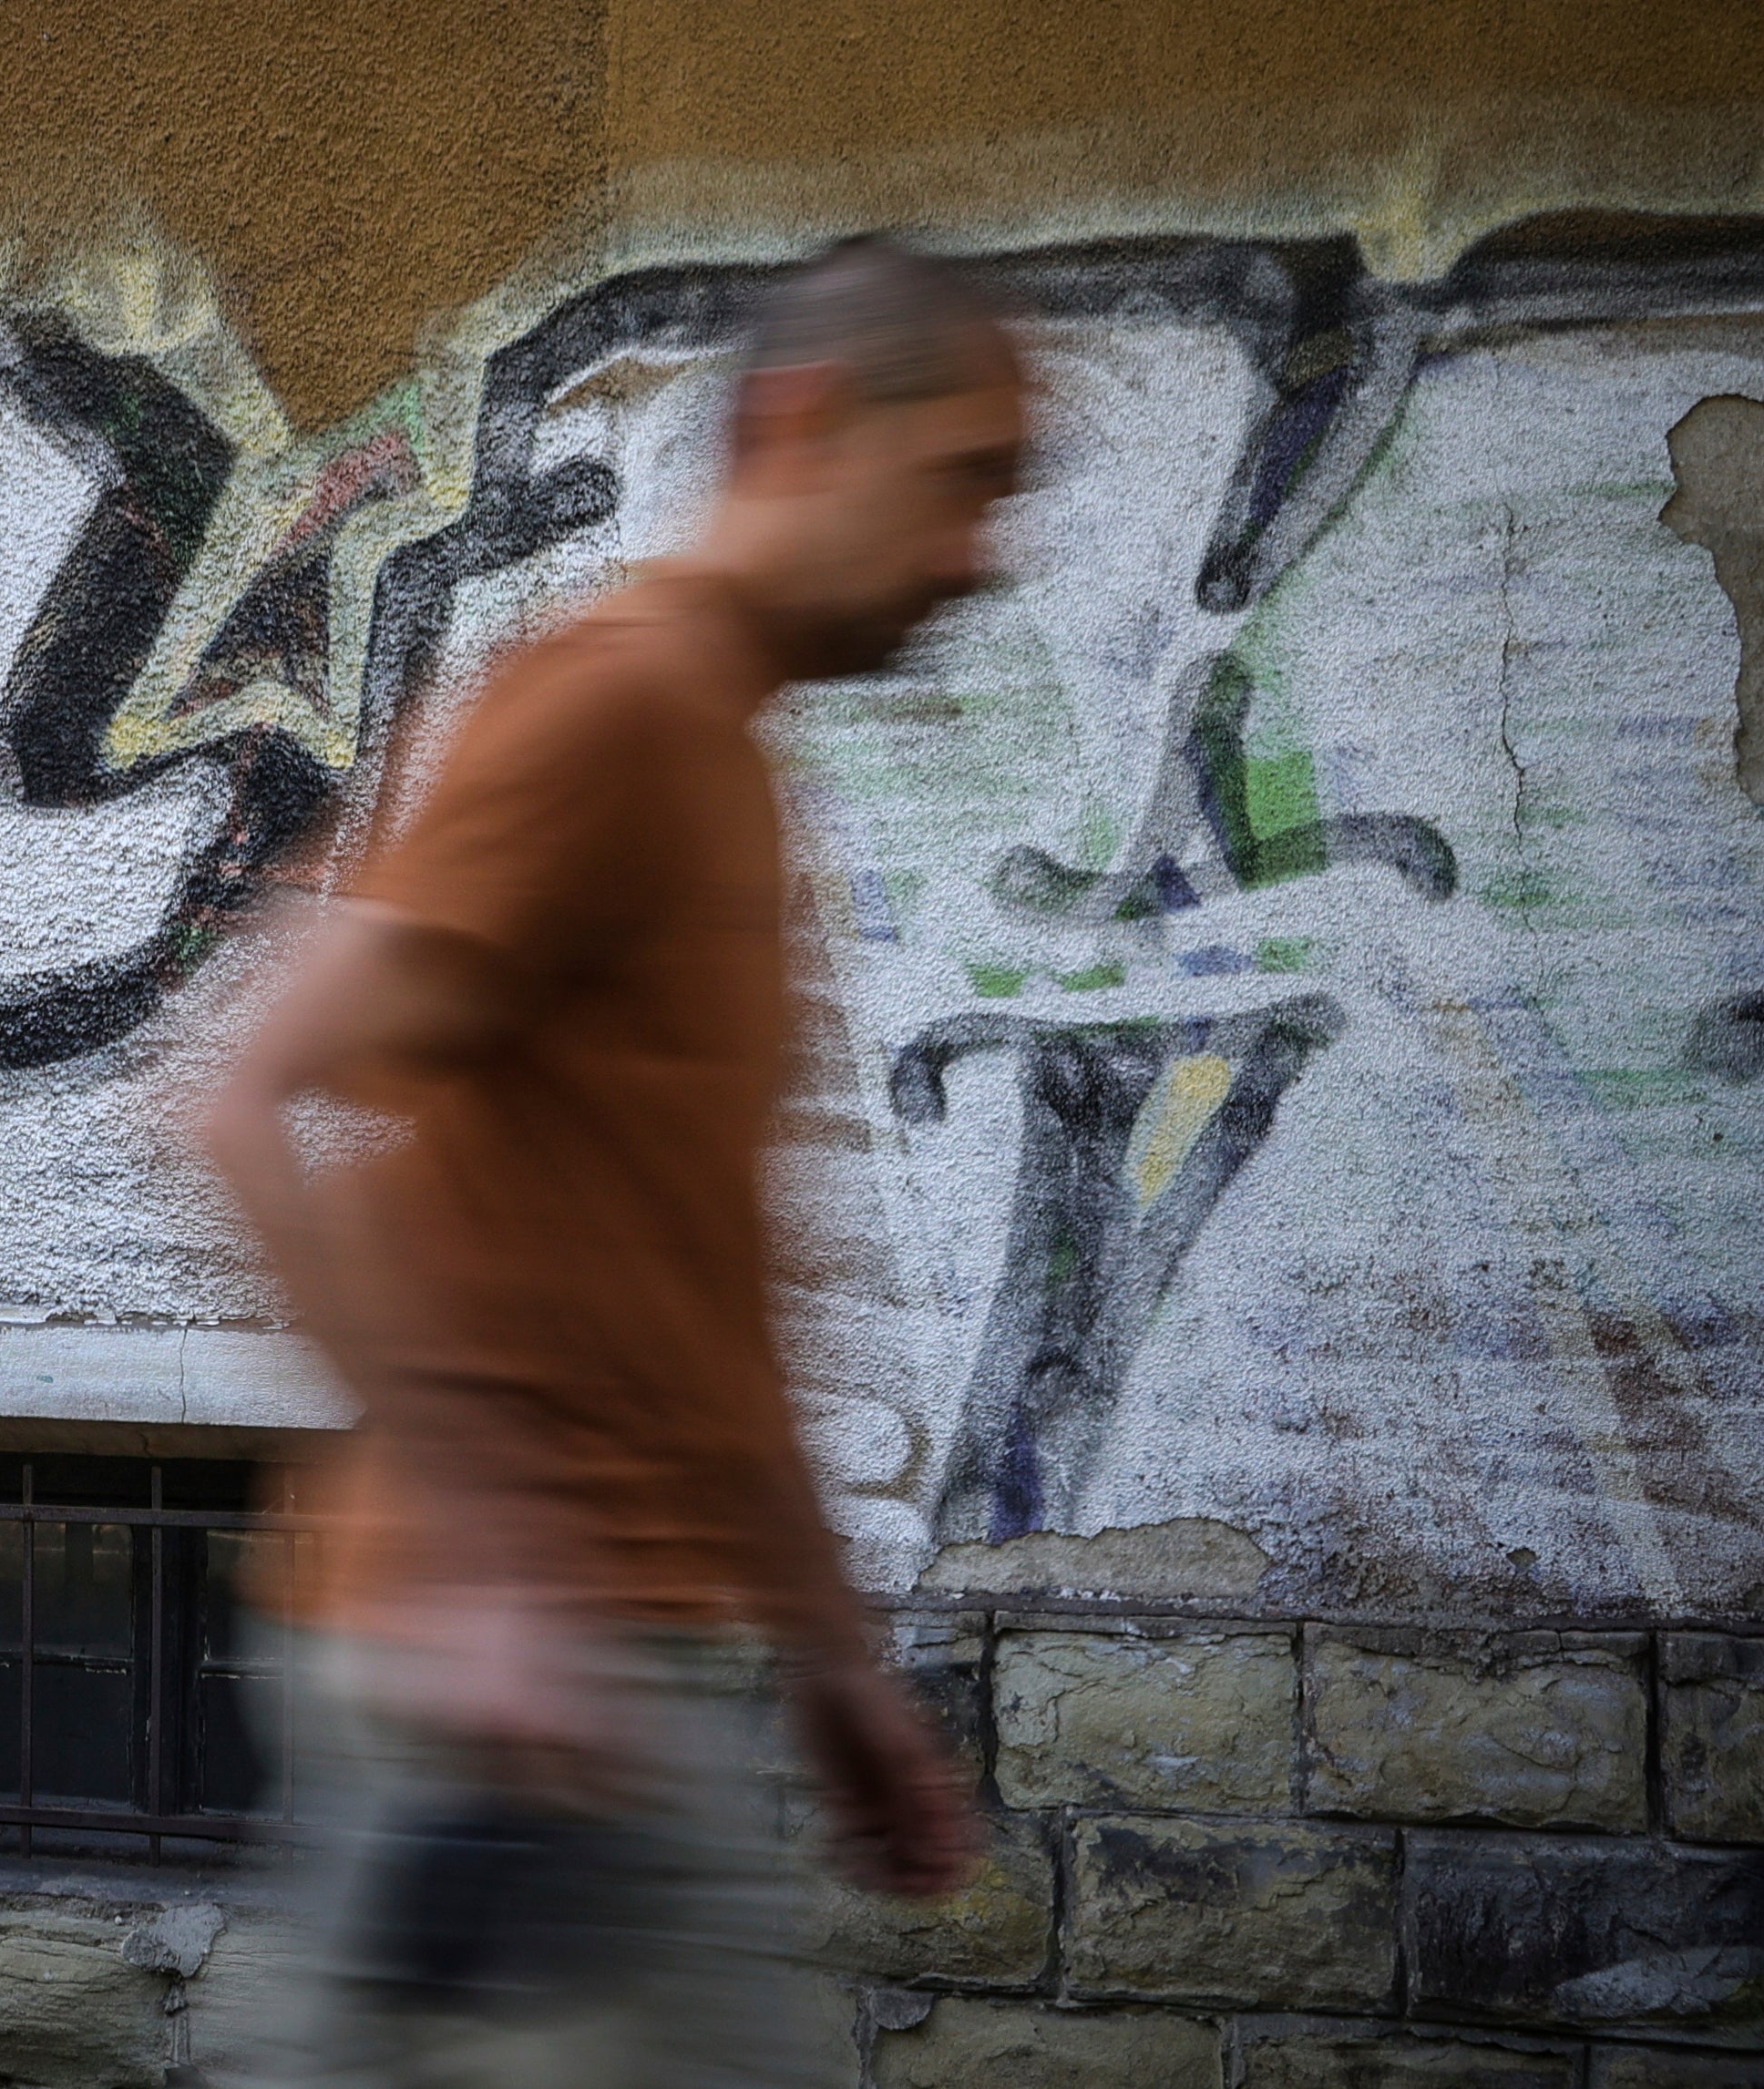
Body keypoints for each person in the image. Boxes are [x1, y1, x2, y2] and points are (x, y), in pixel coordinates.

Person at [198, 238, 1030, 2086]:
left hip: (583, 1672)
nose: (988, 549)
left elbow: (699, 1306)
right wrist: (488, 1569)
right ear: (812, 423)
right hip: (506, 1692)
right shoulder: (613, 711)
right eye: (966, 476)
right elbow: (248, 1092)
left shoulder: (719, 757)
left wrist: (833, 1679)